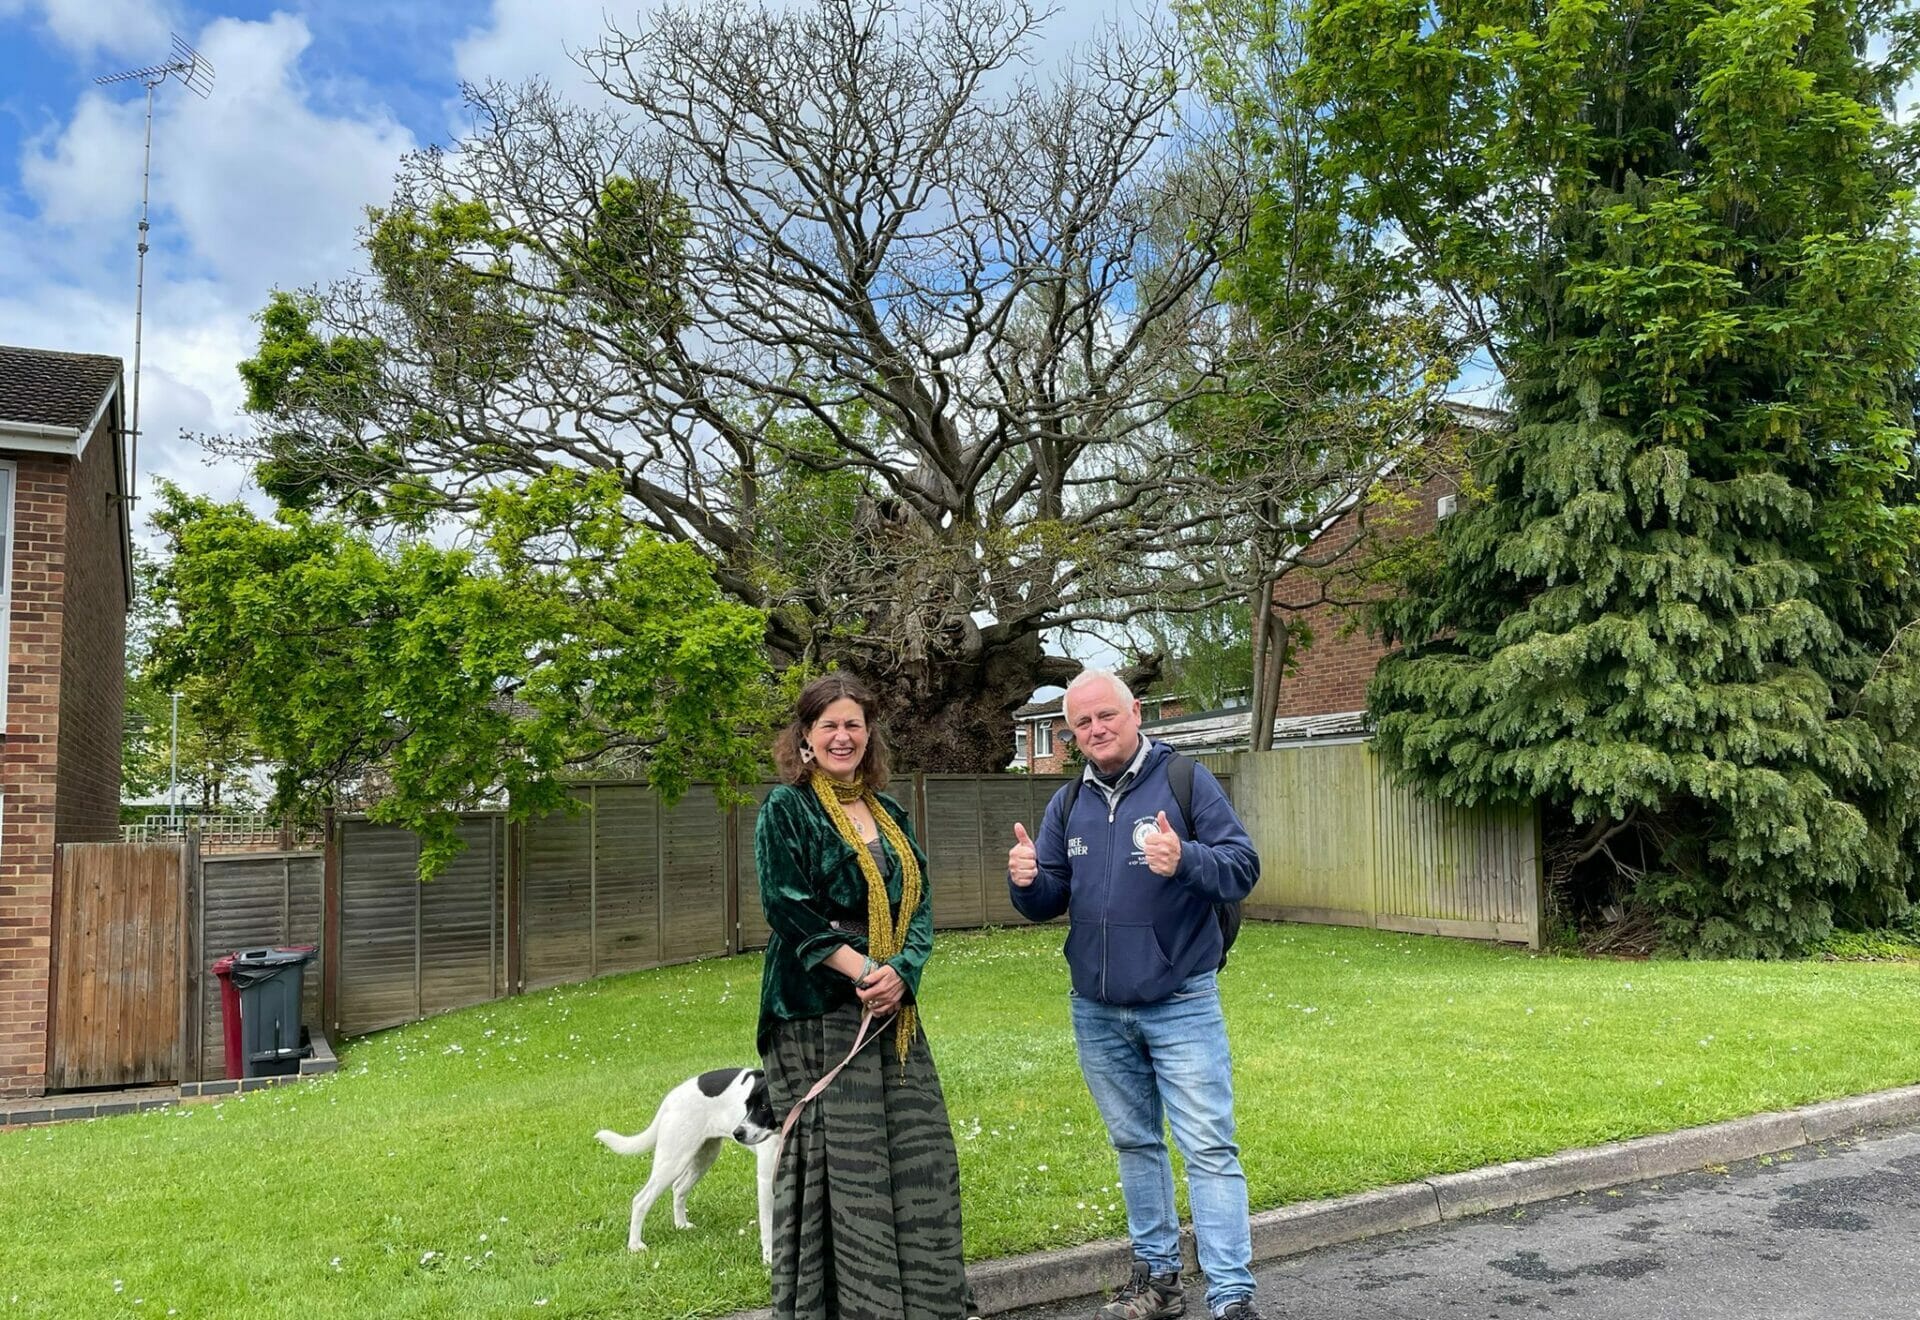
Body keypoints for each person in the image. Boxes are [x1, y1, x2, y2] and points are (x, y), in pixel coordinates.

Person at [1007, 670, 1264, 1320]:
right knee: (1135, 1144)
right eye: (1081, 723)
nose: (1095, 730)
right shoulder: (1067, 804)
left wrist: (1185, 861)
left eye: (1105, 716)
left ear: (1135, 711)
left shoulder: (1186, 782)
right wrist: (1027, 881)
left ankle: (1232, 1297)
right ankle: (1159, 1284)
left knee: (1207, 1146)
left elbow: (1242, 866)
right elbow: (1046, 901)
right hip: (1097, 1010)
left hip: (1181, 1000)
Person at [756, 673, 976, 1320]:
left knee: (918, 1155)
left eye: (853, 724)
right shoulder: (787, 809)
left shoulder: (890, 812)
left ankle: (925, 1303)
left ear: (869, 733)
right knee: (844, 1168)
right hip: (817, 1009)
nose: (842, 736)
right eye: (829, 725)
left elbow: (922, 905)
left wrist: (902, 972)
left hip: (892, 1007)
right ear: (805, 736)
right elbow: (786, 908)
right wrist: (863, 972)